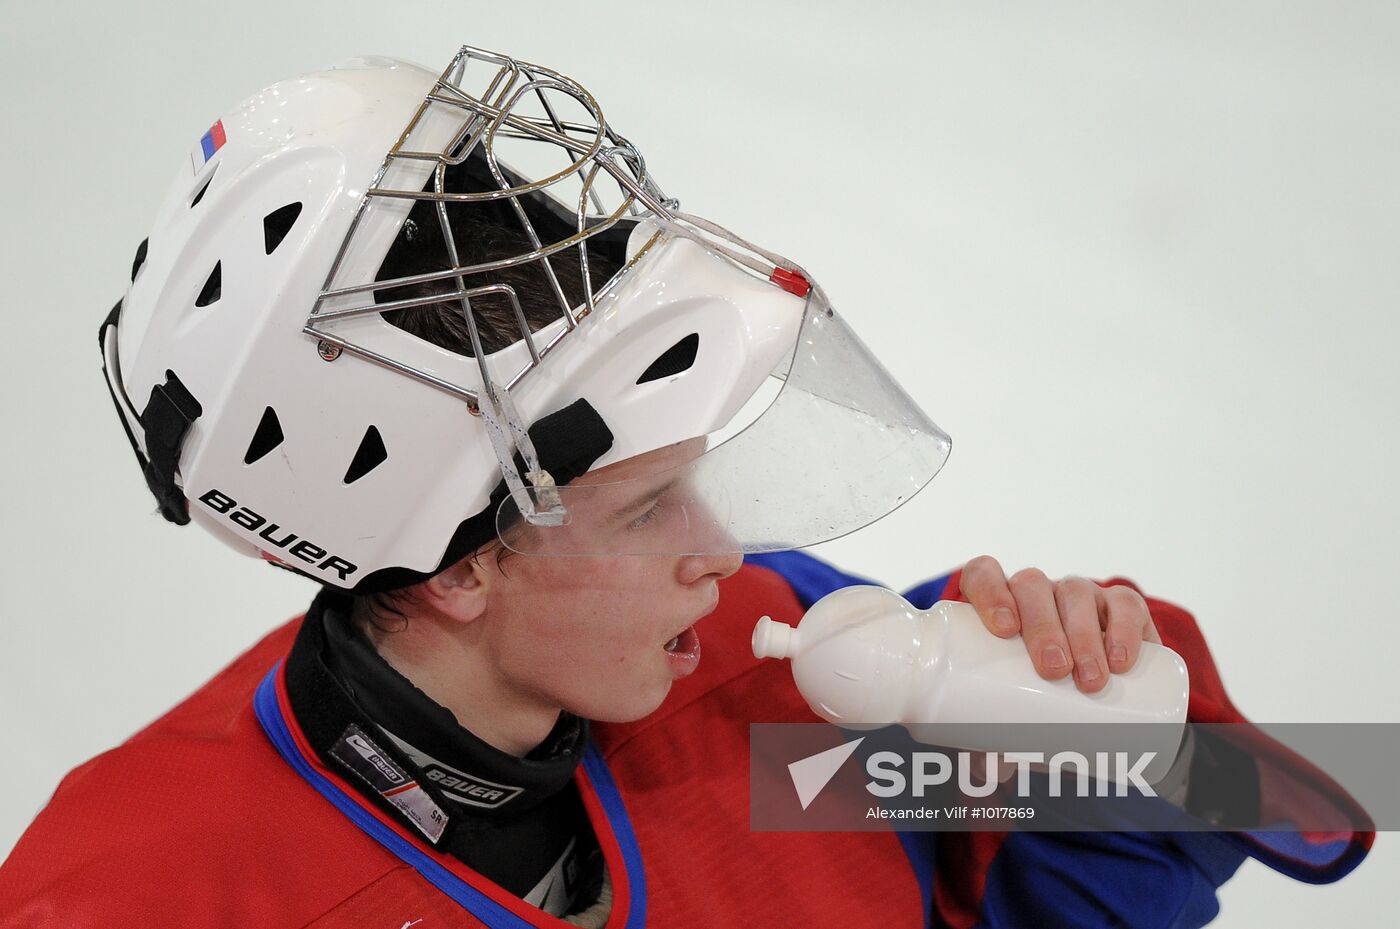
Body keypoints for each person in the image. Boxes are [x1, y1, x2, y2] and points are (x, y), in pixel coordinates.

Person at [0, 46, 1372, 928]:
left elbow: (1153, 869)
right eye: (648, 507)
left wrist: (1100, 730)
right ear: (463, 565)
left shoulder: (765, 693)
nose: (724, 556)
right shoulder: (125, 896)